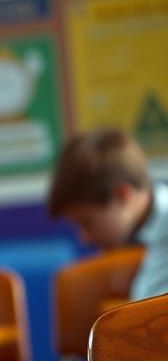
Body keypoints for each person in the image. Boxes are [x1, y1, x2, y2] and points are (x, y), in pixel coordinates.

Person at [48, 127, 168, 300]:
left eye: (87, 222)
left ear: (123, 196)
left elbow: (151, 312)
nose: (84, 238)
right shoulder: (141, 235)